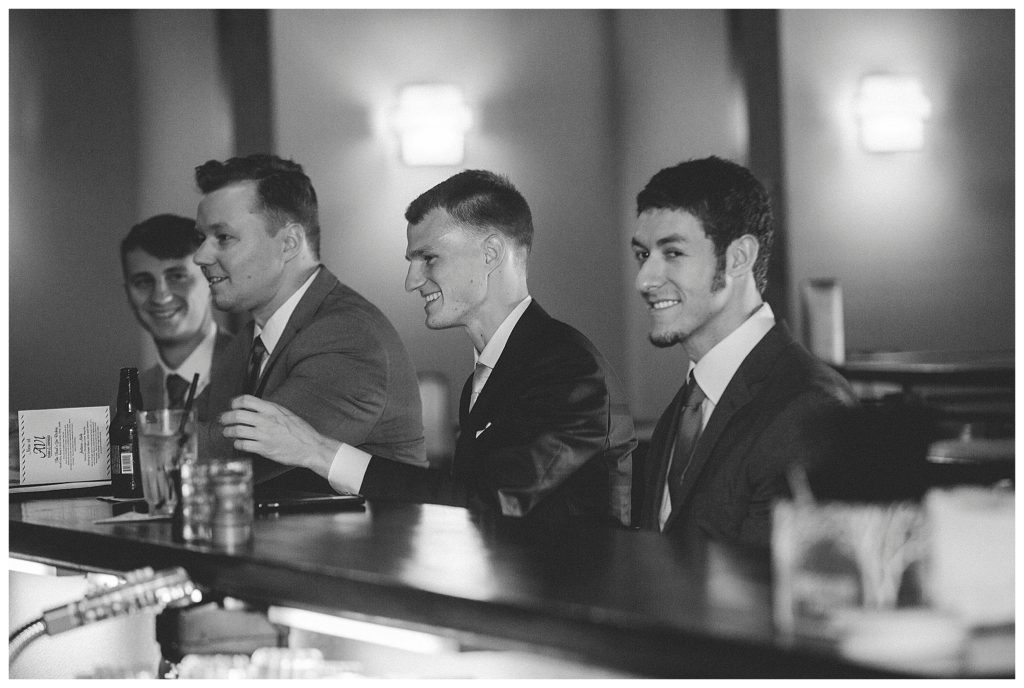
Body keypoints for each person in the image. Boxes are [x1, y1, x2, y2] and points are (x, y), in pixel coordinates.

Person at [221, 170, 635, 527]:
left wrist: (317, 450)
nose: (412, 281)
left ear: (491, 253)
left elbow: (490, 506)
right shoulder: (496, 369)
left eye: (429, 258)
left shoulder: (566, 367)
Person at [630, 156, 857, 548]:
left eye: (673, 253)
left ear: (738, 258)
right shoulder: (687, 405)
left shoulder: (810, 408)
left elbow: (792, 577)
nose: (644, 280)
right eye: (642, 255)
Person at [192, 153, 425, 493]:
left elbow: (236, 454)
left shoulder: (349, 337)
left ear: (289, 243)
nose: (200, 256)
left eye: (223, 237)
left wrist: (126, 441)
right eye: (201, 238)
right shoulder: (249, 341)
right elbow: (192, 426)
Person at [120, 214, 231, 420]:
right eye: (143, 282)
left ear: (212, 281)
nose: (160, 297)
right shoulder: (131, 399)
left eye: (177, 277)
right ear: (128, 294)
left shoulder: (253, 371)